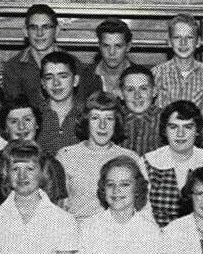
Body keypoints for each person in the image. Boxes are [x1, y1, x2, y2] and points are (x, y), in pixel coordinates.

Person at [56, 92, 143, 222]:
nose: (102, 125)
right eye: (95, 118)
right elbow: (57, 209)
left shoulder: (130, 158)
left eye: (109, 119)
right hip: (79, 232)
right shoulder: (67, 155)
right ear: (86, 121)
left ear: (116, 123)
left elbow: (141, 206)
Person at [0, 99, 68, 215]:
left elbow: (59, 213)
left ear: (37, 124)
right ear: (5, 128)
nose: (21, 126)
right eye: (14, 121)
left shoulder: (52, 164)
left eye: (27, 119)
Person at [145, 100, 203, 227]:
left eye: (187, 127)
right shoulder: (148, 163)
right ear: (164, 130)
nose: (180, 134)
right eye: (173, 127)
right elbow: (142, 214)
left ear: (197, 130)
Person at [152, 14, 203, 145]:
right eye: (177, 38)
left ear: (198, 42)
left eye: (189, 38)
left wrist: (196, 149)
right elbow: (154, 118)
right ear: (169, 42)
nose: (183, 43)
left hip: (195, 141)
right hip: (163, 141)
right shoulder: (156, 73)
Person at [3, 4, 66, 113]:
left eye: (46, 27)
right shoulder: (13, 67)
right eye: (33, 27)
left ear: (57, 31)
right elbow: (15, 109)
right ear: (25, 31)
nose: (39, 33)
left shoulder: (72, 64)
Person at [36, 51, 83, 157]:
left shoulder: (88, 114)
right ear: (43, 83)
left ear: (75, 80)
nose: (56, 83)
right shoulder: (34, 115)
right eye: (49, 77)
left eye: (63, 76)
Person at [77, 18, 133, 102]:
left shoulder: (141, 77)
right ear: (99, 46)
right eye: (106, 46)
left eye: (118, 46)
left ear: (128, 47)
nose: (111, 52)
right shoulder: (85, 77)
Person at [119, 65, 162, 155]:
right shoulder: (113, 119)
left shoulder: (165, 119)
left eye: (143, 89)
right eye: (130, 90)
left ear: (154, 91)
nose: (137, 96)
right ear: (121, 94)